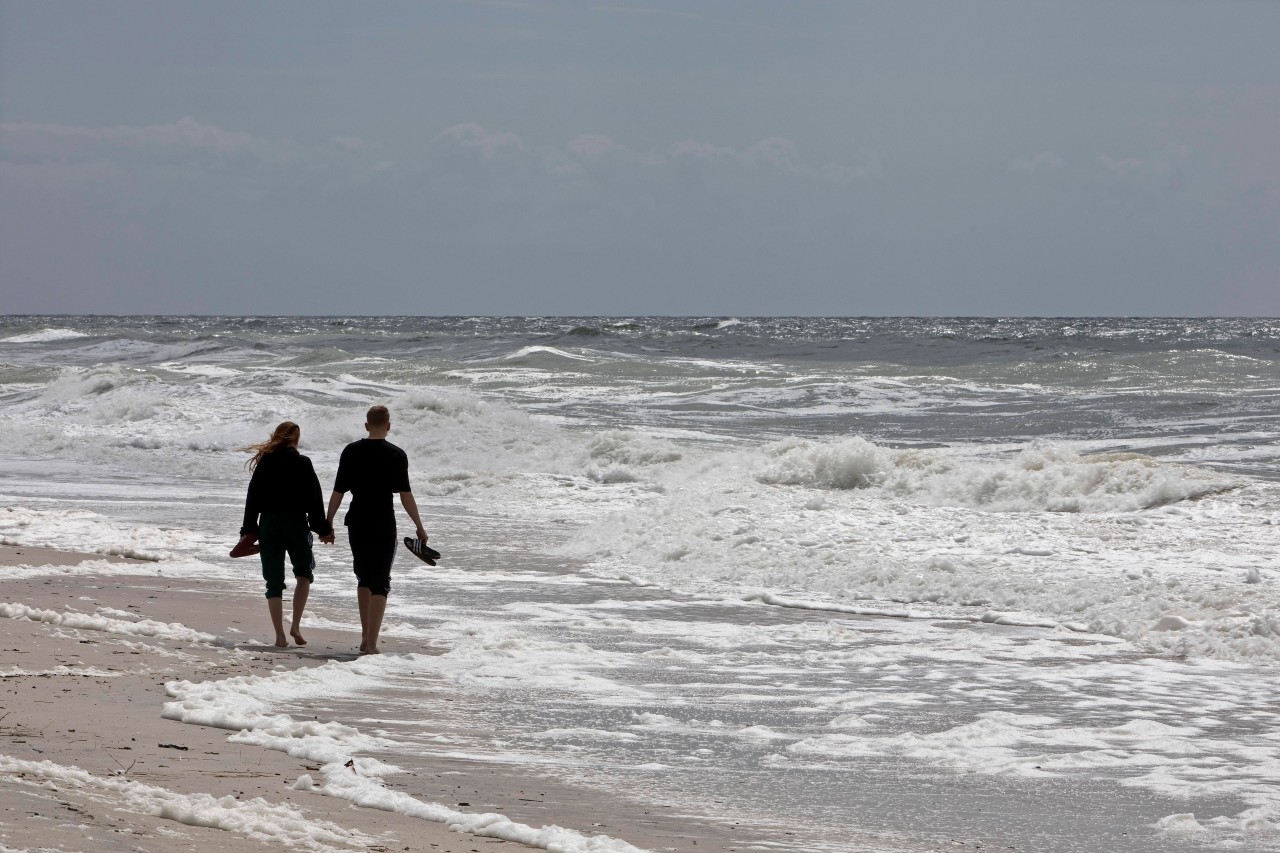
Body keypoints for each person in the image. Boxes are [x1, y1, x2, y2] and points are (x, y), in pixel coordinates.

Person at [325, 405, 428, 655]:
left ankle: (364, 636)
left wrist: (327, 523)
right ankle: (371, 642)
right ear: (389, 426)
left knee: (363, 578)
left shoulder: (351, 451)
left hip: (357, 520)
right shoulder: (396, 454)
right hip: (383, 521)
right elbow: (405, 495)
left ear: (366, 425)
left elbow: (338, 491)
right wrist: (419, 526)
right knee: (380, 581)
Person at [240, 421, 333, 648]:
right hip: (295, 524)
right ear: (296, 439)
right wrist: (323, 530)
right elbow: (314, 499)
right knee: (303, 574)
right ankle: (296, 626)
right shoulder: (302, 462)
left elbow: (252, 498)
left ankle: (280, 636)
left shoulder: (265, 462)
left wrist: (249, 530)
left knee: (273, 582)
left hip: (269, 524)